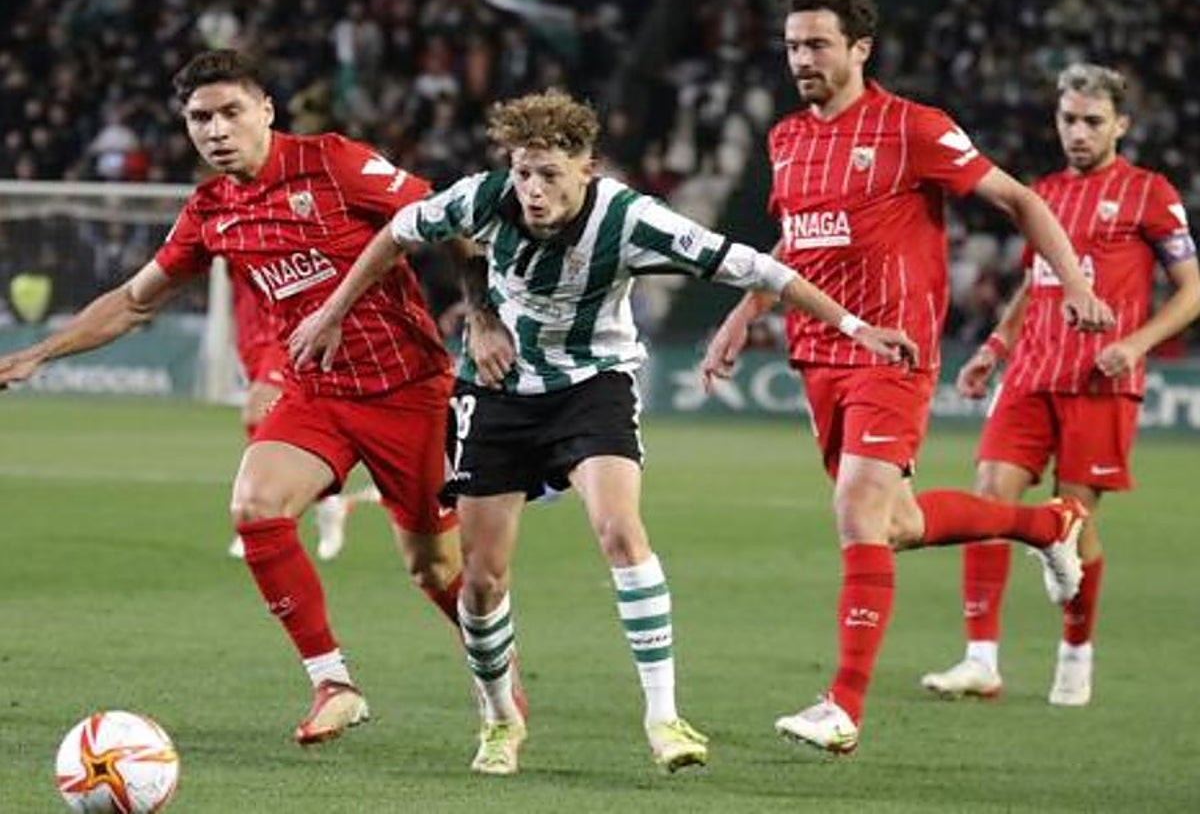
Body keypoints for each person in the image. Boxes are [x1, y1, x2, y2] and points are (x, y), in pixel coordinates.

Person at [288, 88, 917, 775]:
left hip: (594, 387)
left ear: (587, 167)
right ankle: (500, 720)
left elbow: (759, 267)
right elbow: (399, 234)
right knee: (480, 581)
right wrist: (335, 312)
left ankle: (663, 716)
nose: (532, 189)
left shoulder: (630, 218)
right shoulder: (483, 196)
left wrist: (857, 328)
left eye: (549, 174)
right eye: (523, 171)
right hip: (499, 392)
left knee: (619, 529)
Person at [0, 49, 501, 746]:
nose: (215, 129)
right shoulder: (210, 208)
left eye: (231, 111)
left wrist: (480, 315)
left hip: (408, 391)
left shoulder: (335, 162)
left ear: (266, 110)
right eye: (199, 118)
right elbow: (134, 301)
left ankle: (500, 691)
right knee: (255, 507)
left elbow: (452, 219)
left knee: (436, 567)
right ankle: (334, 683)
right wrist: (38, 354)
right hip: (315, 393)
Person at [700, 0, 1116, 754]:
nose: (803, 58)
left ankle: (843, 705)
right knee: (895, 523)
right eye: (793, 45)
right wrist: (742, 311)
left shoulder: (912, 128)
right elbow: (801, 241)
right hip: (816, 355)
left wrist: (1078, 283)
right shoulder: (786, 137)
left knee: (858, 509)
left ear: (860, 48)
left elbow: (1021, 201)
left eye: (818, 43)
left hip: (893, 352)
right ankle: (1045, 524)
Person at [921, 64, 1200, 706]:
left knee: (1073, 520)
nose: (1078, 132)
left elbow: (1191, 293)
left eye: (1092, 122)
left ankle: (1076, 655)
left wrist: (1133, 344)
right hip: (1030, 373)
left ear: (1121, 126)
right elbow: (1036, 282)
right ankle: (980, 660)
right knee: (989, 496)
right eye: (1068, 119)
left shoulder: (1150, 194)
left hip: (1101, 380)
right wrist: (995, 346)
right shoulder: (1042, 191)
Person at [225, 271, 381, 562]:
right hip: (251, 332)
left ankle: (264, 510)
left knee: (257, 407)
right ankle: (324, 502)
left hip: (287, 324)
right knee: (267, 411)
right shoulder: (216, 229)